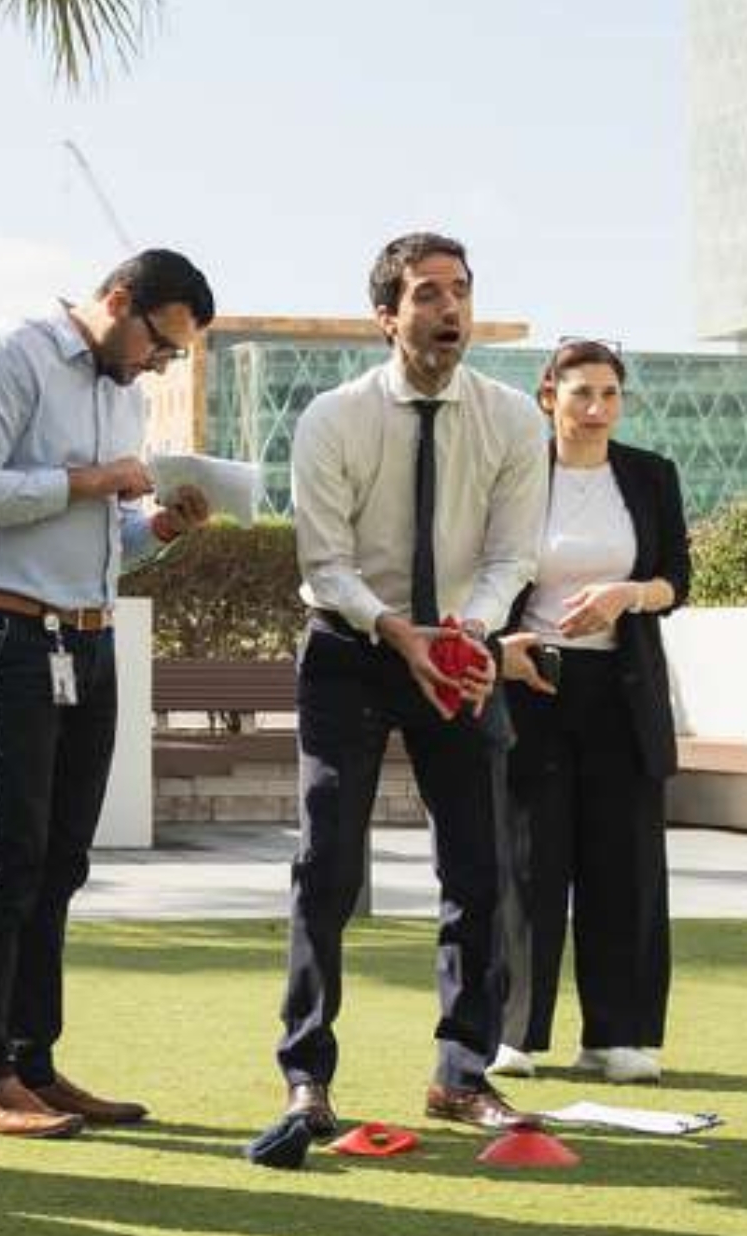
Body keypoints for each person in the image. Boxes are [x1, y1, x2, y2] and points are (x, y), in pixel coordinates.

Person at [0, 249, 215, 1139]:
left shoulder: (123, 392)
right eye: (158, 344)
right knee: (5, 856)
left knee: (60, 862)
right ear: (119, 300)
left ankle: (32, 1067)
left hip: (87, 642)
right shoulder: (11, 353)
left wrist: (159, 526)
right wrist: (93, 481)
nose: (158, 365)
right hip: (1, 634)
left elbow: (106, 541)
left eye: (172, 356)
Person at [280, 233, 549, 1137]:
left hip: (460, 654)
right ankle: (307, 1075)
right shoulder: (333, 419)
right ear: (386, 317)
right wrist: (399, 632)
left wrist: (469, 633)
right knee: (327, 868)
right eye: (427, 293)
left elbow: (512, 556)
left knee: (479, 868)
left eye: (460, 291)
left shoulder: (514, 421)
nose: (449, 309)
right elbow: (326, 563)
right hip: (352, 649)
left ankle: (463, 1075)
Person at [489, 340, 689, 1085]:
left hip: (623, 692)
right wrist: (497, 646)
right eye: (581, 393)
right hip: (531, 684)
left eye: (610, 394)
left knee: (624, 863)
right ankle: (515, 1033)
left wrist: (626, 595)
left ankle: (618, 1036)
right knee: (529, 863)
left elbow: (676, 579)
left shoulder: (650, 475)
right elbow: (484, 572)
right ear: (549, 397)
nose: (597, 408)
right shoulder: (515, 473)